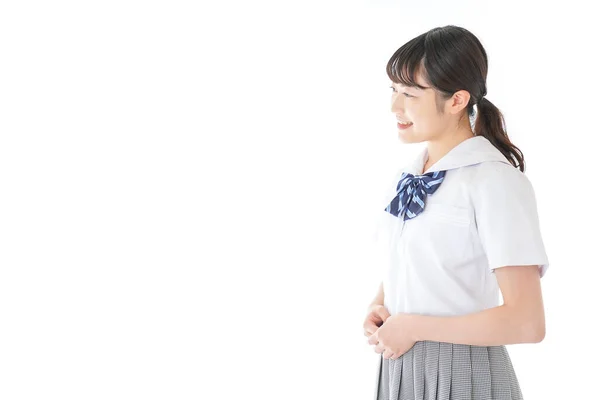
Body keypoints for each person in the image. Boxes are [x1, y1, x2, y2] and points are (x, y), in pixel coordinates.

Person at [363, 25, 550, 400]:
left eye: (410, 94)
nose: (395, 108)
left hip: (462, 370)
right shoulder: (409, 176)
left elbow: (527, 322)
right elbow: (421, 262)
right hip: (399, 366)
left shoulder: (494, 182)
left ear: (457, 100)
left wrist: (414, 326)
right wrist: (382, 304)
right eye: (394, 91)